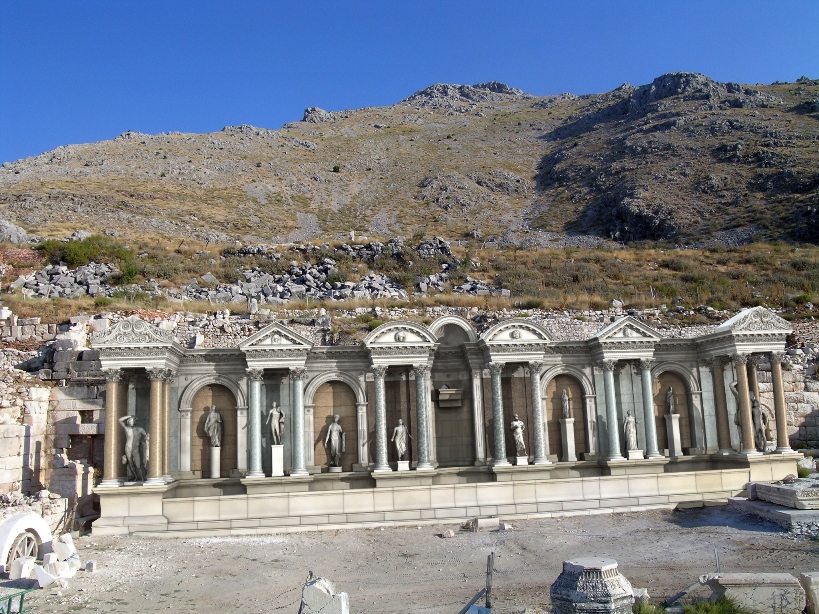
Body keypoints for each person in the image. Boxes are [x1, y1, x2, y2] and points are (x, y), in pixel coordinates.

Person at [119, 415, 148, 482]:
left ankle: (142, 477)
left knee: (138, 463)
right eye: (130, 421)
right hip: (128, 448)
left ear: (134, 422)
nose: (131, 422)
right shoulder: (126, 429)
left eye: (132, 421)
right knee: (130, 463)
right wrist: (129, 416)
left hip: (135, 448)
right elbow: (120, 420)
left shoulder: (139, 429)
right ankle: (135, 477)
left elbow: (145, 436)